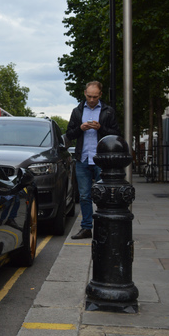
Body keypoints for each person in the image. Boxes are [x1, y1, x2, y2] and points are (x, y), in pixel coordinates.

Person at [66, 81, 121, 239]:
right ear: (84, 93)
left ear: (100, 95)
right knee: (84, 196)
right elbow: (69, 134)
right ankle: (86, 228)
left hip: (101, 159)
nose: (91, 99)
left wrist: (100, 128)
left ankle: (104, 227)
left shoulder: (108, 111)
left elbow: (116, 134)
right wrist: (80, 129)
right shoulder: (77, 111)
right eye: (89, 96)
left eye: (95, 97)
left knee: (104, 195)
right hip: (83, 159)